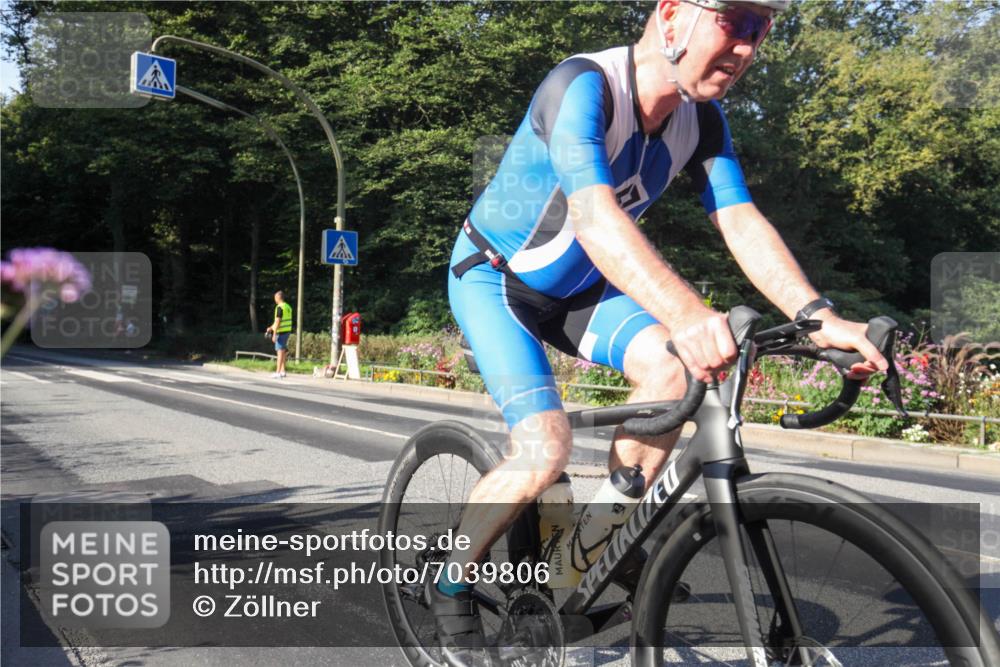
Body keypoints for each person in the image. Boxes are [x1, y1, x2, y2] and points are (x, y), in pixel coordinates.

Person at [438, 1, 890, 664]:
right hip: (495, 278)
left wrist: (817, 315)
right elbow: (595, 218)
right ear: (673, 15)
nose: (748, 47)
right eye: (735, 22)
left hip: (581, 288)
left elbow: (738, 218)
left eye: (761, 29)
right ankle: (449, 580)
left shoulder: (700, 120)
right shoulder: (583, 86)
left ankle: (589, 547)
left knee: (674, 373)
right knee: (545, 450)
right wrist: (687, 314)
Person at [265, 291, 293, 378]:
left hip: (281, 332)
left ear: (278, 298)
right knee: (283, 351)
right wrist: (271, 328)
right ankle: (283, 371)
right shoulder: (288, 307)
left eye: (275, 298)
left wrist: (274, 334)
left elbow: (278, 321)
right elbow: (281, 320)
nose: (274, 300)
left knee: (280, 352)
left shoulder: (279, 307)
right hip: (287, 331)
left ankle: (277, 372)